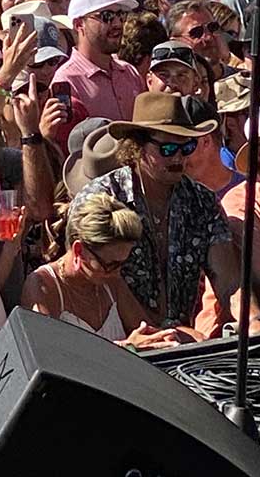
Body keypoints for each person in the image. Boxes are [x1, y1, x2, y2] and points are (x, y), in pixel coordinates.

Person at [69, 93, 236, 333]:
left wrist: (254, 321)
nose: (179, 157)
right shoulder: (102, 197)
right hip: (119, 344)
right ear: (136, 147)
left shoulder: (202, 201)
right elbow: (94, 280)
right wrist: (158, 334)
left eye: (187, 147)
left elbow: (229, 282)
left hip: (180, 346)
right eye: (167, 148)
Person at [21, 192, 181, 346]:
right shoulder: (42, 285)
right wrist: (127, 348)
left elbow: (146, 332)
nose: (117, 273)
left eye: (122, 264)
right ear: (79, 251)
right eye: (110, 265)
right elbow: (47, 353)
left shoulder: (112, 282)